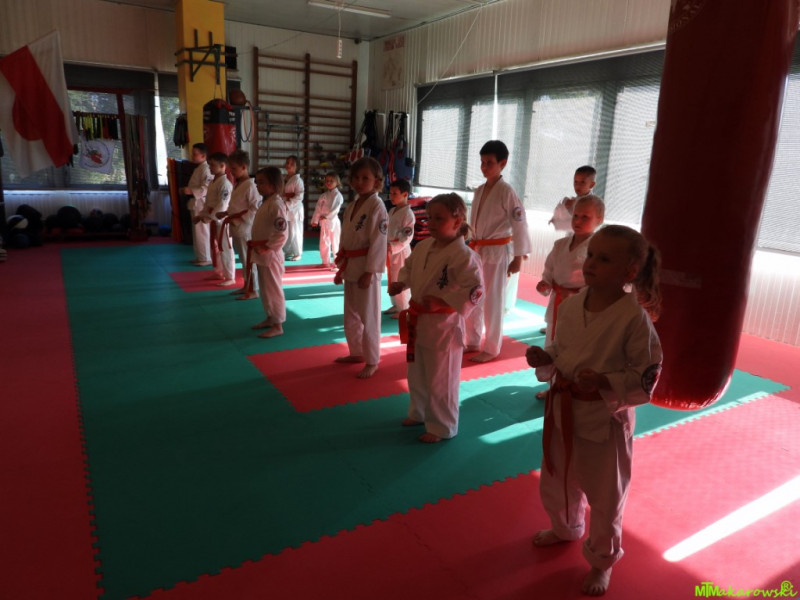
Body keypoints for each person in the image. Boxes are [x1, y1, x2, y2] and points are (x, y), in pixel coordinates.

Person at [525, 224, 662, 597]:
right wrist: (545, 357)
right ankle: (566, 527)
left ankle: (602, 560)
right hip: (563, 408)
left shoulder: (634, 318)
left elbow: (646, 375)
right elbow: (561, 349)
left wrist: (605, 381)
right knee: (558, 477)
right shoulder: (571, 305)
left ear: (629, 271)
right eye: (591, 255)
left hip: (605, 419)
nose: (591, 264)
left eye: (604, 259)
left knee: (606, 495)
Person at [388, 193, 483, 443]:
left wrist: (443, 302)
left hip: (444, 326)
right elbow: (409, 268)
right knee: (417, 372)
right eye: (429, 217)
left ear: (457, 220)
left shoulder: (465, 256)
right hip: (419, 320)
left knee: (442, 379)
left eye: (438, 218)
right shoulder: (424, 246)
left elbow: (475, 291)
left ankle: (442, 426)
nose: (430, 223)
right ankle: (418, 412)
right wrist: (401, 283)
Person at [465, 140, 531, 363]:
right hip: (477, 250)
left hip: (496, 251)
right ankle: (473, 340)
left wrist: (518, 258)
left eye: (489, 163)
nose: (484, 167)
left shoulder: (507, 191)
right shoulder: (479, 190)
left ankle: (492, 348)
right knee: (473, 295)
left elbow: (520, 224)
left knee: (493, 300)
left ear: (503, 163)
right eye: (482, 162)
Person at [333, 156, 388, 379]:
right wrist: (341, 265)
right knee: (351, 315)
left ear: (377, 181)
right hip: (351, 266)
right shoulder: (353, 205)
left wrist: (371, 271)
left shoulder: (377, 206)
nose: (359, 182)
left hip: (366, 268)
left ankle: (372, 360)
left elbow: (379, 241)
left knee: (369, 316)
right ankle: (356, 352)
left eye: (365, 178)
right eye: (355, 177)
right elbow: (345, 237)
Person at [250, 166, 290, 338]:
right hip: (262, 252)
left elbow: (282, 232)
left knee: (273, 289)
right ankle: (270, 317)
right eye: (257, 182)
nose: (257, 186)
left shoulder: (276, 204)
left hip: (271, 254)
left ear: (273, 185)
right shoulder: (266, 202)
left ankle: (278, 325)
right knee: (265, 289)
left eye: (261, 182)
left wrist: (268, 247)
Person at [223, 150, 260, 300]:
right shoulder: (239, 184)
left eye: (234, 168)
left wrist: (237, 218)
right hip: (237, 227)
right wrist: (226, 213)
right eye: (230, 168)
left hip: (246, 229)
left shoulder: (251, 186)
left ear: (244, 167)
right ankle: (246, 285)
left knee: (249, 259)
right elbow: (236, 206)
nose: (231, 172)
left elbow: (254, 209)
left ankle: (254, 289)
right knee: (244, 260)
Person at [198, 153, 235, 286]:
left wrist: (209, 217)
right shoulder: (214, 182)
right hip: (215, 218)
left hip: (223, 219)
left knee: (225, 247)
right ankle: (219, 271)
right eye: (209, 165)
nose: (210, 168)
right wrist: (201, 215)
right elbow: (209, 203)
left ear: (223, 166)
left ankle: (230, 276)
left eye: (213, 165)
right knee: (216, 247)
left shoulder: (225, 184)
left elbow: (222, 205)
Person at [384, 179, 415, 319]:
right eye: (390, 193)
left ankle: (404, 308)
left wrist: (393, 246)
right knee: (391, 278)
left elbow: (407, 236)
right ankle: (396, 304)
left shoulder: (408, 214)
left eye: (395, 193)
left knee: (400, 279)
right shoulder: (392, 210)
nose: (391, 196)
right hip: (389, 249)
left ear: (405, 194)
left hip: (400, 251)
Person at [182, 143, 213, 265]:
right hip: (196, 202)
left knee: (202, 231)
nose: (192, 156)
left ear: (203, 155)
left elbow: (206, 188)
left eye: (195, 154)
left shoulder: (206, 169)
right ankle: (200, 256)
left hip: (201, 203)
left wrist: (190, 191)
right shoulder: (199, 168)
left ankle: (205, 258)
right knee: (197, 231)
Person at [310, 171, 343, 269]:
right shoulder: (324, 195)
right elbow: (318, 208)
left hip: (333, 222)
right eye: (327, 181)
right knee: (324, 242)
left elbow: (335, 209)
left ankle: (337, 263)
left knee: (335, 243)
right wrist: (315, 220)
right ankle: (325, 262)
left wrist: (327, 217)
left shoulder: (338, 195)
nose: (328, 182)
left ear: (337, 182)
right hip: (324, 222)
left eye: (331, 181)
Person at [549, 165, 597, 232]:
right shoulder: (571, 200)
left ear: (591, 185)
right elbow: (559, 216)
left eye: (582, 182)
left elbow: (577, 224)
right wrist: (564, 207)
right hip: (571, 235)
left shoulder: (592, 203)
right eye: (575, 182)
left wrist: (566, 210)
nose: (578, 185)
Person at [282, 155, 305, 261]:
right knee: (287, 231)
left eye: (292, 164)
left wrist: (287, 203)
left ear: (297, 167)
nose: (289, 165)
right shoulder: (284, 178)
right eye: (287, 163)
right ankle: (288, 251)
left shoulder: (298, 180)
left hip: (295, 209)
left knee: (296, 231)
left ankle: (298, 253)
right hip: (286, 208)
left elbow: (299, 196)